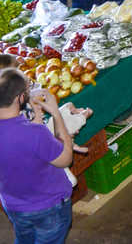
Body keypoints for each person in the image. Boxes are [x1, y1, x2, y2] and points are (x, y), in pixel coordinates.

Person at [0, 69, 75, 244]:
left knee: (24, 239)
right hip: (48, 206)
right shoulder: (35, 134)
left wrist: (34, 120)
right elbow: (65, 159)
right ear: (20, 98)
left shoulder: (31, 132)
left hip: (13, 205)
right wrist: (56, 113)